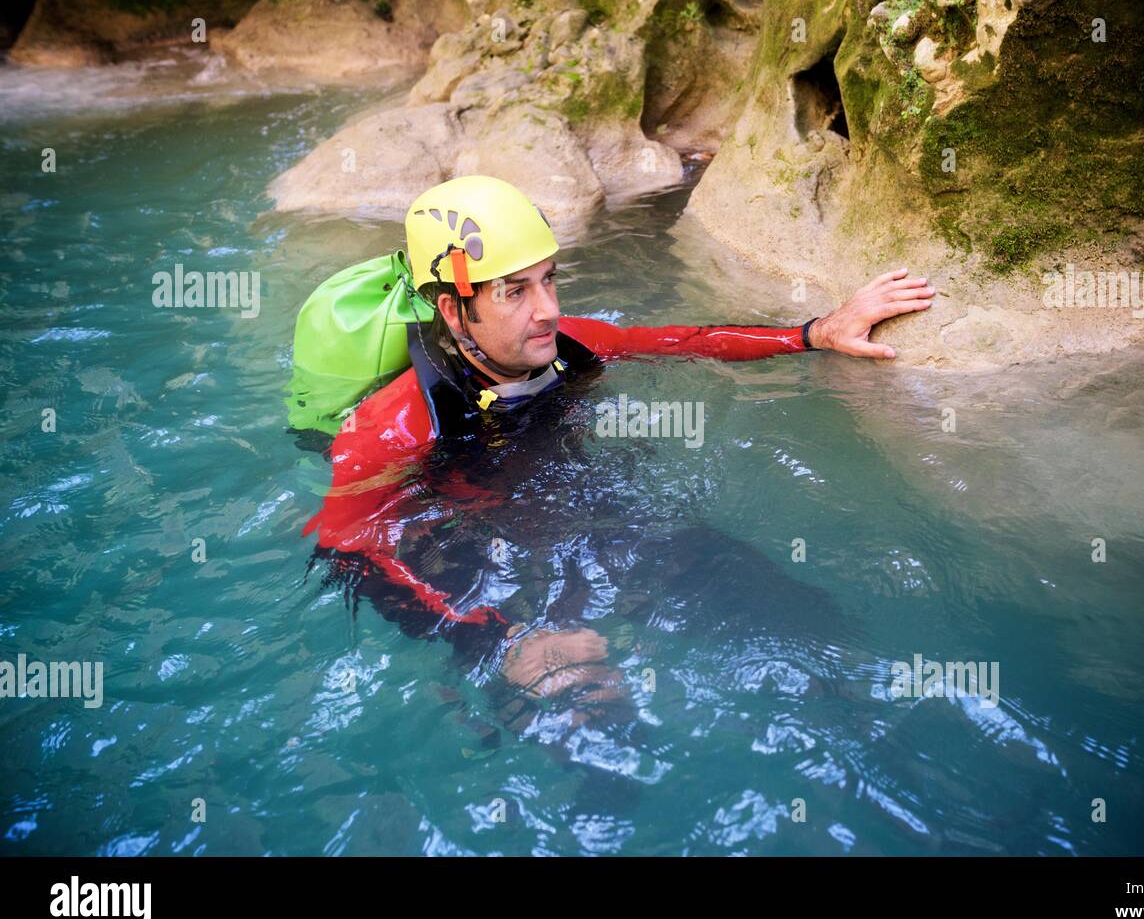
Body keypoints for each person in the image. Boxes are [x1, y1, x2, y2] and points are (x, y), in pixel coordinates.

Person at [302, 175, 933, 717]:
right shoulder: (393, 427)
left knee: (759, 590)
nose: (548, 310)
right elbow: (347, 554)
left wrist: (815, 332)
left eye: (550, 280)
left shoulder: (566, 344)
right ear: (453, 307)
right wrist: (493, 640)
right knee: (589, 718)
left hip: (585, 522)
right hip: (476, 561)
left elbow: (683, 341)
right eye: (514, 291)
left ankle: (873, 700)